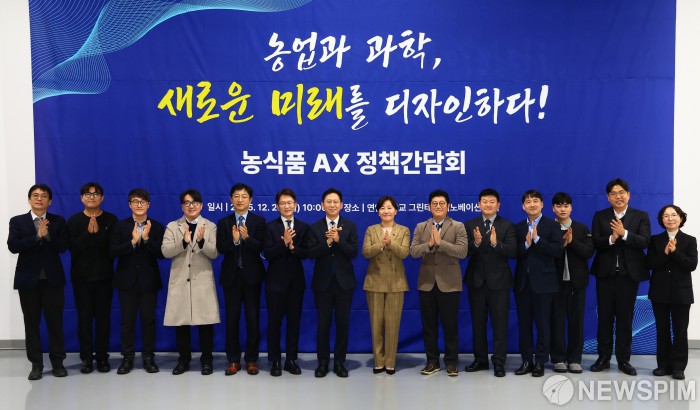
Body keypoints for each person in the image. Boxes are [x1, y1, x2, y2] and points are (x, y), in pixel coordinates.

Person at [7, 184, 69, 380]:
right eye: (35, 195)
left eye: (43, 196)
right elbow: (13, 246)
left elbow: (63, 246)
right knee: (31, 324)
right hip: (28, 281)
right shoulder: (17, 221)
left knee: (55, 323)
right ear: (29, 200)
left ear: (50, 201)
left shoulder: (58, 221)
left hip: (53, 281)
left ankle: (58, 363)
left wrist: (47, 235)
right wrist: (36, 237)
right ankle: (36, 365)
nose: (39, 198)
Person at [590, 178, 650, 376]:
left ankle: (624, 360)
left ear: (628, 195)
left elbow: (644, 241)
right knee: (604, 319)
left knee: (625, 319)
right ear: (608, 197)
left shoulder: (640, 216)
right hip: (605, 276)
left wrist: (624, 234)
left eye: (621, 192)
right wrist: (611, 238)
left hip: (628, 277)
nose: (618, 196)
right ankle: (603, 358)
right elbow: (596, 243)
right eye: (614, 193)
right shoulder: (600, 216)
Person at [161, 189, 220, 376]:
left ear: (201, 205)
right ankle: (183, 360)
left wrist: (201, 242)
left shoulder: (210, 226)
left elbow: (214, 253)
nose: (191, 206)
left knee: (205, 324)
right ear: (182, 207)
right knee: (181, 324)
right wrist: (183, 242)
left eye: (194, 203)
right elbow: (165, 251)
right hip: (180, 281)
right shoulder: (173, 226)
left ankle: (207, 360)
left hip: (202, 281)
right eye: (187, 203)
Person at [410, 189, 468, 377]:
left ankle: (451, 362)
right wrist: (429, 244)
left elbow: (462, 252)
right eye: (434, 203)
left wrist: (440, 243)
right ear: (429, 207)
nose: (438, 206)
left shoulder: (458, 226)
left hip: (450, 284)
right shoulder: (421, 227)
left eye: (442, 203)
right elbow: (413, 251)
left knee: (450, 326)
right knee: (429, 326)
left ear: (448, 206)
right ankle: (432, 361)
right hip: (427, 283)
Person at [109, 188, 164, 374]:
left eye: (142, 202)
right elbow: (113, 252)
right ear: (129, 205)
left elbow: (162, 253)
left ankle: (149, 357)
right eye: (135, 201)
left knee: (149, 321)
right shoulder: (120, 226)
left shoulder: (157, 227)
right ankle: (127, 358)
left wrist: (146, 240)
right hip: (126, 281)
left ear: (148, 204)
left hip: (149, 281)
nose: (139, 205)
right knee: (127, 321)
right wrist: (132, 243)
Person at [463, 188, 516, 378]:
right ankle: (480, 360)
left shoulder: (507, 226)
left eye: (492, 202)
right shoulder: (470, 225)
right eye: (484, 201)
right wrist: (476, 243)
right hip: (476, 281)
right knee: (478, 323)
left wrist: (495, 244)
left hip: (499, 283)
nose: (488, 205)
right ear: (479, 204)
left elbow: (513, 251)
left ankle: (499, 361)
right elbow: (463, 252)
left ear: (498, 205)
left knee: (500, 324)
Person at [307, 188, 359, 378]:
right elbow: (311, 253)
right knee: (323, 324)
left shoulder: (350, 226)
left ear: (341, 205)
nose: (332, 204)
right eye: (328, 202)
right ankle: (322, 362)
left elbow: (353, 252)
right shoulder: (315, 227)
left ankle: (339, 362)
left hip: (344, 283)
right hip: (323, 283)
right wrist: (328, 243)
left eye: (335, 201)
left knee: (342, 324)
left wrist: (338, 240)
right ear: (322, 205)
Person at [66, 182, 117, 374]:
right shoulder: (73, 221)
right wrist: (88, 234)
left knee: (103, 320)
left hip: (104, 278)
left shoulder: (111, 219)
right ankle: (86, 358)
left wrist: (99, 233)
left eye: (96, 194)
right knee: (84, 320)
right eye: (88, 194)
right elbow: (72, 248)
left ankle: (102, 358)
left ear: (102, 198)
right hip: (81, 279)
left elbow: (113, 249)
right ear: (82, 198)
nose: (92, 197)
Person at [216, 183, 266, 376]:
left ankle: (252, 360)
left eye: (244, 196)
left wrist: (246, 238)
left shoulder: (259, 221)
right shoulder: (224, 222)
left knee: (253, 319)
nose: (240, 200)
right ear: (231, 199)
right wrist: (235, 240)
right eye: (236, 196)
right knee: (232, 319)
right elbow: (221, 248)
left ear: (250, 200)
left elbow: (261, 247)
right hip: (231, 278)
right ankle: (233, 360)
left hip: (252, 278)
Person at [513, 190, 563, 377]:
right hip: (523, 284)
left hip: (545, 283)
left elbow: (558, 250)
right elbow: (513, 253)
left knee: (543, 325)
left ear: (542, 204)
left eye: (535, 201)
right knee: (524, 325)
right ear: (523, 206)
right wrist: (526, 244)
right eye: (528, 202)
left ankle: (540, 361)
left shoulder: (552, 225)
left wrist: (538, 240)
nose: (532, 204)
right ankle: (526, 361)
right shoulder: (518, 227)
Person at [647, 205, 697, 380]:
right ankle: (663, 365)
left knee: (680, 331)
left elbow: (691, 265)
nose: (670, 218)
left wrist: (675, 252)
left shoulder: (690, 240)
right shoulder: (655, 240)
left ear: (681, 218)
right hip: (659, 292)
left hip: (681, 293)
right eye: (666, 216)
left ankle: (678, 367)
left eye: (674, 215)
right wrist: (665, 253)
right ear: (661, 220)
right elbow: (649, 264)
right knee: (662, 330)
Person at [362, 195, 410, 375]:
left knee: (392, 325)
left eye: (389, 208)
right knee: (376, 324)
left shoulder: (404, 230)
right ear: (378, 212)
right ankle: (378, 361)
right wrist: (380, 245)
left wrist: (391, 243)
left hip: (396, 282)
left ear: (395, 211)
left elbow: (404, 252)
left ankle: (390, 362)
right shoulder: (371, 230)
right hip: (374, 281)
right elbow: (365, 252)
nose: (386, 211)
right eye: (382, 208)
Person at [263, 188, 309, 376]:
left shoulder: (303, 227)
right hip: (275, 283)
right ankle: (275, 360)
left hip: (296, 284)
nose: (287, 206)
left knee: (294, 323)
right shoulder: (270, 227)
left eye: (290, 203)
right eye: (283, 203)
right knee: (274, 323)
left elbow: (306, 253)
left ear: (295, 205)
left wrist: (292, 247)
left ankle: (291, 359)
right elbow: (267, 254)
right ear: (277, 206)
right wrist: (283, 243)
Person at [549, 192, 595, 374]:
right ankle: (558, 358)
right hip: (554, 284)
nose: (563, 209)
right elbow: (545, 253)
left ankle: (575, 359)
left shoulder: (581, 229)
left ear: (571, 208)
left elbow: (588, 252)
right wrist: (560, 244)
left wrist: (572, 241)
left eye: (566, 205)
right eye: (559, 205)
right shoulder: (548, 228)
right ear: (553, 208)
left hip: (577, 283)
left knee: (576, 322)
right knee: (556, 322)